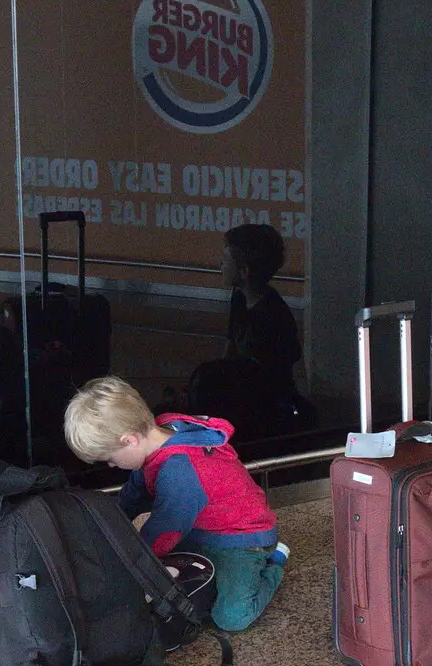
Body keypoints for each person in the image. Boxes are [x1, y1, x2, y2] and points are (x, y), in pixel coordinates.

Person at [64, 375, 287, 632]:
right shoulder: (160, 432)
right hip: (200, 527)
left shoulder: (181, 470)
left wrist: (130, 564)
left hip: (244, 540)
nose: (112, 466)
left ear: (129, 440)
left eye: (110, 458)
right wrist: (104, 530)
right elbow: (133, 494)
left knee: (231, 618)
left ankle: (275, 563)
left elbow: (163, 530)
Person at [187, 223, 309, 437]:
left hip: (263, 402)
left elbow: (275, 375)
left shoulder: (273, 315)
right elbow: (231, 344)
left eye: (226, 261)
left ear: (244, 271)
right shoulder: (239, 298)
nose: (220, 266)